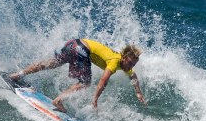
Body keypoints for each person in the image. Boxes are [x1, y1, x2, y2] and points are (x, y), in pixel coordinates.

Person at [10, 39, 147, 112]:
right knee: (85, 82)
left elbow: (133, 76)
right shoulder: (114, 62)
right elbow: (103, 81)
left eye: (134, 64)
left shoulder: (124, 65)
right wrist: (95, 100)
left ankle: (17, 75)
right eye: (130, 63)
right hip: (82, 49)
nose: (131, 66)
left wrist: (138, 93)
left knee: (51, 64)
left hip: (74, 43)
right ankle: (58, 101)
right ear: (124, 58)